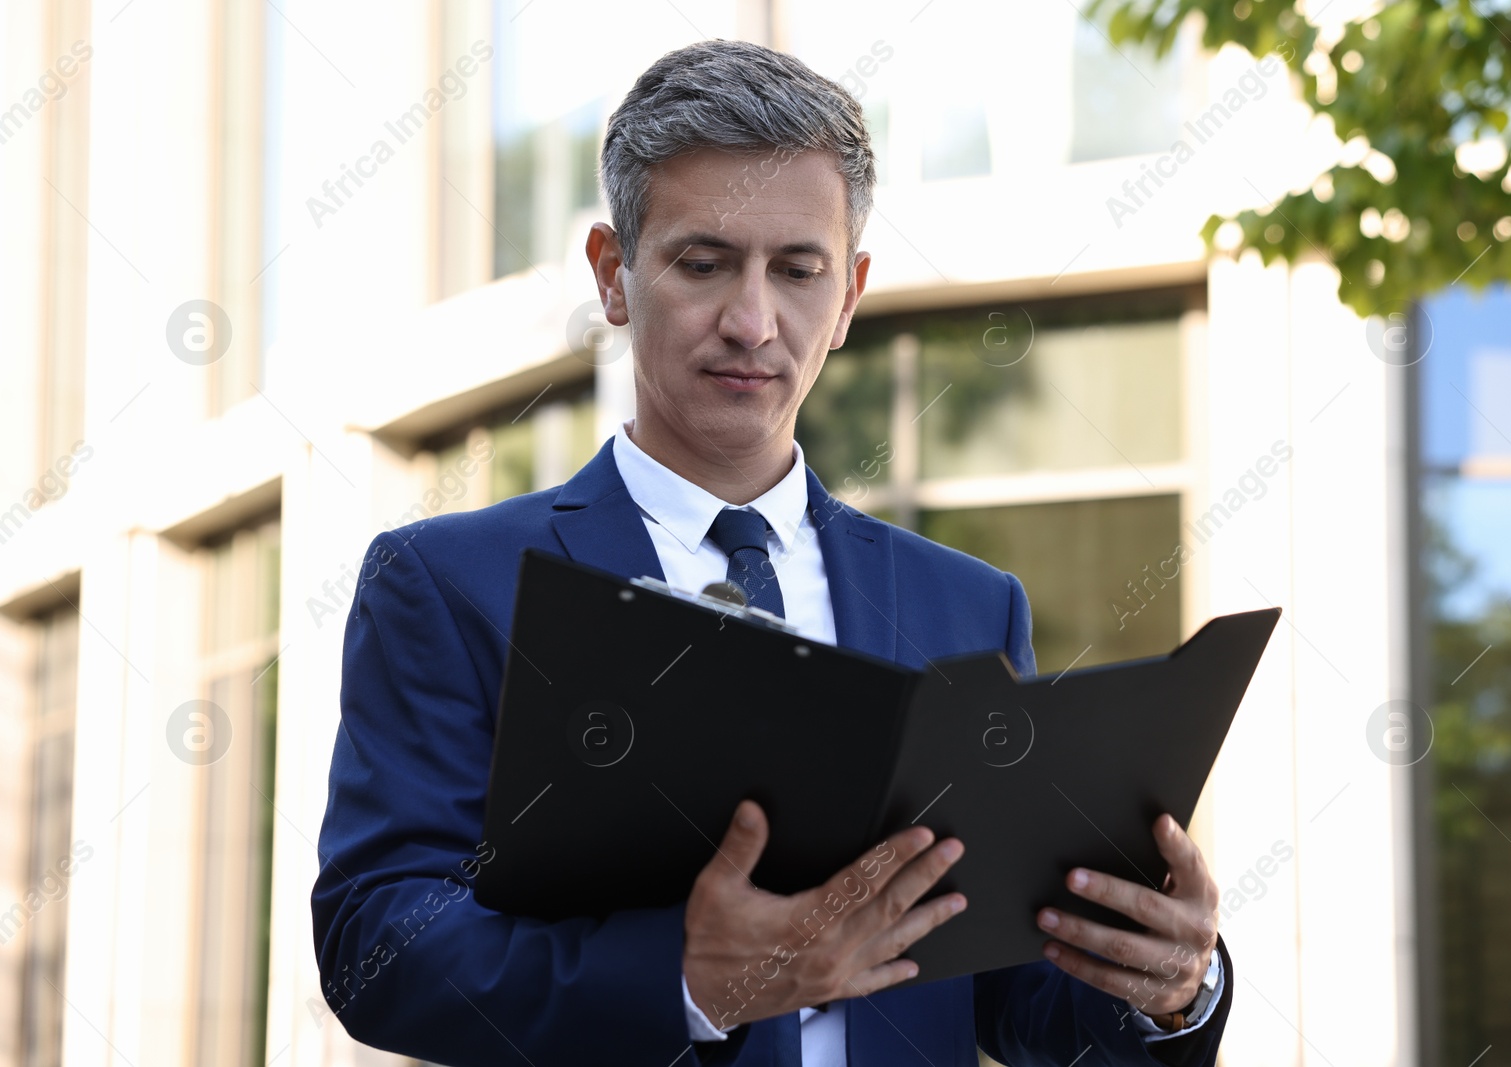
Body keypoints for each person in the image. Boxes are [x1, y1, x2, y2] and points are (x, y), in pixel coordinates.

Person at [312, 37, 1231, 1067]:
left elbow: (1010, 996)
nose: (752, 322)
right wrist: (685, 982)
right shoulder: (450, 585)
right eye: (703, 264)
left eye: (798, 271)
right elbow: (376, 946)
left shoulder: (968, 604)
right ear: (614, 277)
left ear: (848, 297)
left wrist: (1170, 988)